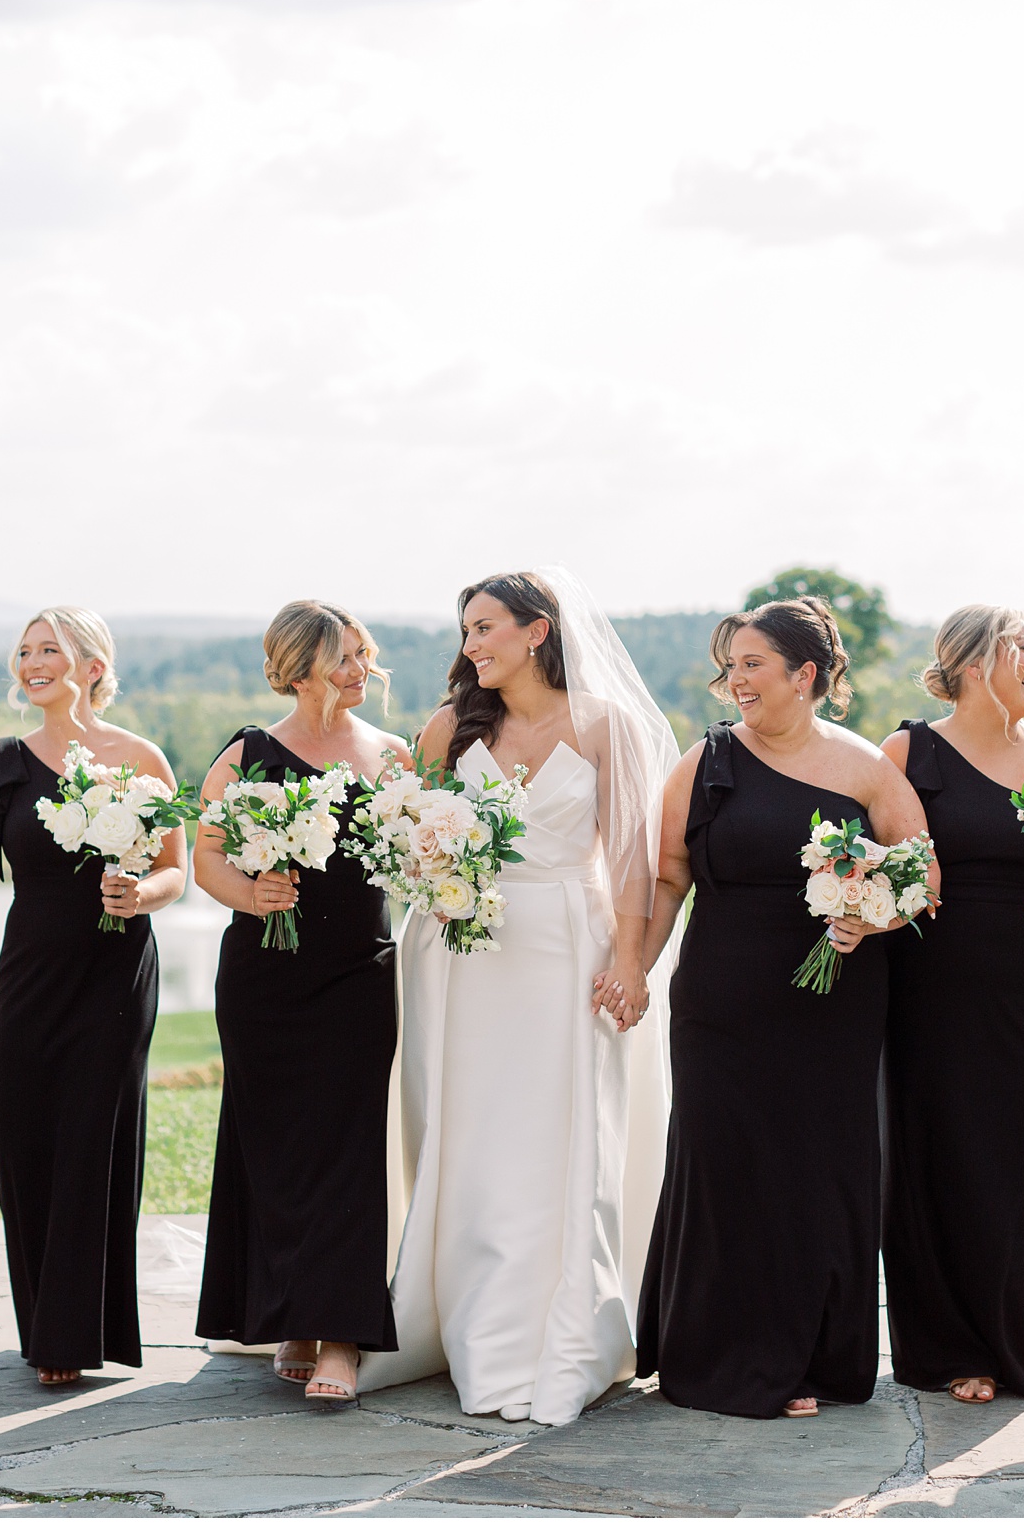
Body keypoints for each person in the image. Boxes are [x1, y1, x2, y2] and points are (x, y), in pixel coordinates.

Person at [358, 568, 678, 1427]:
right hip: (459, 955)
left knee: (559, 1133)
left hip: (565, 950)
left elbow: (631, 861)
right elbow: (399, 837)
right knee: (471, 1130)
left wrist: (632, 962)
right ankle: (466, 1322)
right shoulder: (448, 727)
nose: (472, 646)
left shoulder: (605, 726)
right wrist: (434, 868)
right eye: (466, 632)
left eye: (486, 627)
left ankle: (561, 1332)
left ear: (538, 631)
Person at [633, 598, 932, 1419]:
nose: (736, 681)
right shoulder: (707, 760)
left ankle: (808, 1357)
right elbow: (667, 876)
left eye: (752, 664)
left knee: (813, 1175)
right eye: (731, 665)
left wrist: (871, 914)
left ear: (805, 676)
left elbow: (924, 877)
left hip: (830, 1007)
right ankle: (715, 1357)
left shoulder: (867, 767)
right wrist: (634, 968)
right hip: (720, 1003)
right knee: (724, 1167)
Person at [0, 607, 186, 1386]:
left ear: (92, 665)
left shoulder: (141, 757)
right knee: (23, 1138)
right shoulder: (4, 763)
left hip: (113, 976)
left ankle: (69, 1335)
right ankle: (45, 1320)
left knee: (92, 1140)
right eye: (23, 651)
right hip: (28, 976)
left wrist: (140, 893)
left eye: (50, 649)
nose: (32, 662)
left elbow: (176, 870)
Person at [879, 607, 1024, 1406]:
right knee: (943, 1158)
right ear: (976, 663)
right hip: (932, 991)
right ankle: (953, 1348)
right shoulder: (908, 752)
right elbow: (873, 859)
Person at [193, 601, 408, 1403]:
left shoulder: (391, 757)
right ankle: (292, 1315)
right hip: (265, 978)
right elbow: (204, 859)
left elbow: (416, 854)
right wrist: (254, 894)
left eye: (363, 654)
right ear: (301, 665)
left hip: (359, 971)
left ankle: (343, 1336)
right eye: (345, 657)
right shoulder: (248, 754)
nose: (361, 670)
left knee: (348, 1142)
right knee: (275, 1145)